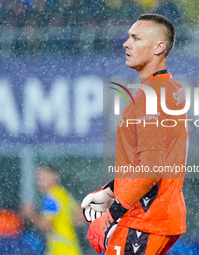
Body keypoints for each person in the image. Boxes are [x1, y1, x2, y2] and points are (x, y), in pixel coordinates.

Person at [81, 14, 189, 254]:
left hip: (145, 220)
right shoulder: (169, 88)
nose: (125, 43)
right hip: (158, 216)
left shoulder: (152, 97)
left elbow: (151, 169)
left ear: (158, 47)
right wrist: (110, 190)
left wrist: (111, 215)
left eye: (135, 38)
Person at [22, 164, 82, 255]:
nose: (40, 178)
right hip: (71, 247)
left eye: (44, 175)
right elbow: (80, 215)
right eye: (38, 175)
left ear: (55, 176)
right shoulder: (62, 193)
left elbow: (46, 226)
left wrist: (31, 214)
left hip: (60, 250)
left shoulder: (51, 198)